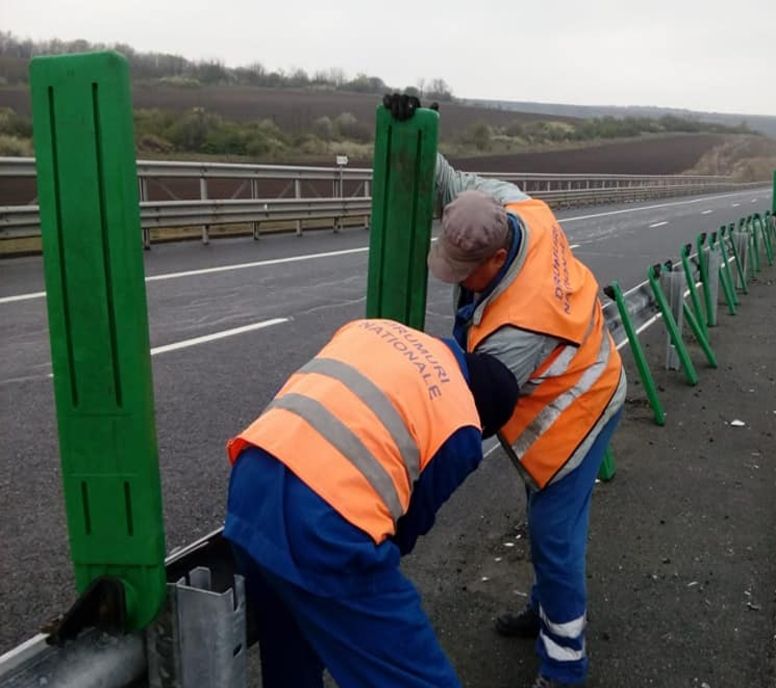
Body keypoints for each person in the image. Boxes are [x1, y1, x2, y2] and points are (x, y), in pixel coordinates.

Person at [384, 94, 627, 688]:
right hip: (579, 375)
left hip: (577, 415)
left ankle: (565, 668)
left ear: (496, 255)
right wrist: (407, 125)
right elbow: (449, 181)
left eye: (468, 273)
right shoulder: (513, 204)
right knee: (546, 530)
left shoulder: (519, 327)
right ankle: (545, 613)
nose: (458, 280)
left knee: (554, 540)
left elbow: (470, 411)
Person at [223, 318, 518, 688]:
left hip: (251, 481)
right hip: (324, 523)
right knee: (415, 676)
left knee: (289, 653)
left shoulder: (375, 329)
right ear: (483, 417)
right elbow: (409, 523)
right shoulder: (462, 425)